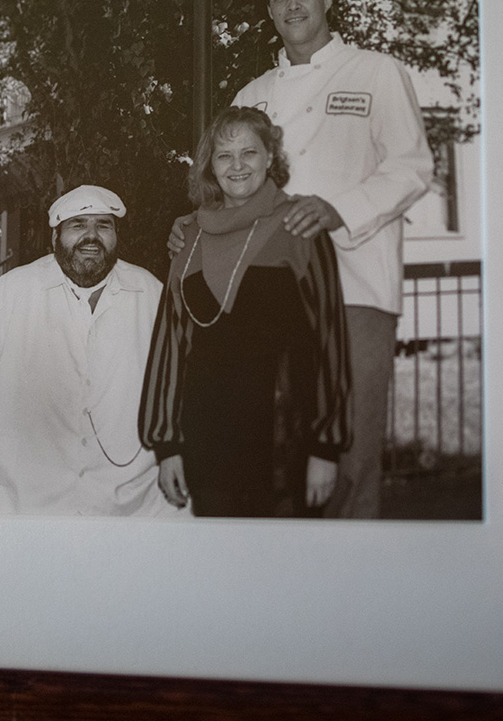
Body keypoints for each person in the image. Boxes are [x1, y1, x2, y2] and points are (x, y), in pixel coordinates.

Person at [170, 0, 433, 518]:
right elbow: (228, 184)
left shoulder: (376, 73)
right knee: (275, 448)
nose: (292, 7)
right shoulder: (253, 91)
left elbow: (413, 166)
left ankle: (346, 597)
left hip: (355, 282)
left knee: (349, 451)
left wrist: (338, 208)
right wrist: (194, 229)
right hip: (266, 293)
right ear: (269, 9)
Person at [138, 107, 350, 517]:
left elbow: (331, 338)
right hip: (209, 447)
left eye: (248, 152)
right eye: (224, 155)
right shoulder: (188, 236)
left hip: (285, 447)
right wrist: (167, 447)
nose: (237, 166)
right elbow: (170, 344)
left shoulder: (299, 226)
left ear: (270, 157)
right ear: (210, 166)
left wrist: (325, 446)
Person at [0, 185, 181, 517]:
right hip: (17, 500)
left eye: (103, 225)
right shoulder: (12, 291)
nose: (91, 236)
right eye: (78, 225)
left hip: (130, 501)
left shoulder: (149, 291)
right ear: (55, 237)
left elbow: (179, 379)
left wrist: (173, 453)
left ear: (116, 236)